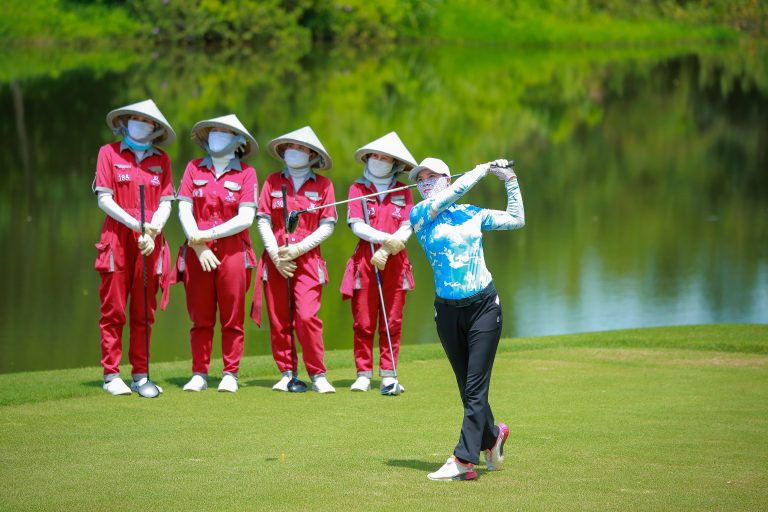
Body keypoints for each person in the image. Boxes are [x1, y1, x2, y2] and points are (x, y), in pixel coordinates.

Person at [408, 157, 524, 481]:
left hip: (484, 307)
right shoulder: (419, 216)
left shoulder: (471, 214)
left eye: (433, 176)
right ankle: (493, 437)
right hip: (446, 312)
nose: (426, 182)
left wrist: (509, 180)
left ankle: (463, 460)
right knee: (467, 388)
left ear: (447, 178)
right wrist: (479, 171)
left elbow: (516, 219)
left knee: (474, 389)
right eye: (421, 179)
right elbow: (446, 198)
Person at [93, 99, 176, 395]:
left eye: (147, 120)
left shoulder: (162, 160)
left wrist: (153, 228)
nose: (141, 122)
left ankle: (140, 373)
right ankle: (111, 375)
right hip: (117, 236)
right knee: (114, 308)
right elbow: (104, 197)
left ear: (154, 128)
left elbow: (166, 201)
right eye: (135, 118)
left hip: (150, 239)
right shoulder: (109, 153)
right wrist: (135, 224)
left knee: (144, 309)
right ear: (125, 122)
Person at [173, 115, 259, 393]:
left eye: (224, 132)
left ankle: (230, 373)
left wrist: (206, 236)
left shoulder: (246, 173)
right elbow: (184, 208)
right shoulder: (193, 168)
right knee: (200, 316)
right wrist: (196, 243)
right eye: (214, 131)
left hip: (233, 251)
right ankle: (199, 372)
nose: (217, 136)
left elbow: (246, 218)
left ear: (238, 141)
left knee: (232, 317)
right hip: (197, 251)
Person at [251, 126, 337, 393]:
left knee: (307, 316)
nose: (294, 151)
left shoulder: (323, 185)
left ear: (311, 154)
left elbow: (328, 224)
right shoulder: (272, 181)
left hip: (308, 260)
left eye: (300, 148)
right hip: (276, 258)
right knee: (279, 318)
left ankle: (317, 374)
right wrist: (276, 254)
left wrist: (298, 249)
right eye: (290, 147)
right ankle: (287, 372)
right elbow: (263, 219)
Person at [341, 132, 417, 394]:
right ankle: (363, 373)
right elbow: (357, 225)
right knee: (363, 320)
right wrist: (387, 240)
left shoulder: (403, 191)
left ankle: (389, 374)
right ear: (367, 158)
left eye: (385, 158)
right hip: (366, 259)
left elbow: (409, 224)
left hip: (397, 261)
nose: (379, 160)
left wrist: (394, 244)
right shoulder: (357, 188)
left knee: (392, 320)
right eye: (375, 156)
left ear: (394, 163)